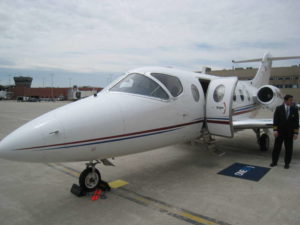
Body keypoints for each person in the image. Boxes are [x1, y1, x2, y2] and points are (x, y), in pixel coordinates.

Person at [270, 95, 299, 169]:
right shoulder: (279, 109)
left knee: (289, 149)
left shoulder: (294, 109)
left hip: (289, 133)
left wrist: (295, 133)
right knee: (277, 148)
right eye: (290, 100)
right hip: (279, 133)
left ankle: (287, 163)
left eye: (292, 100)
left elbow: (296, 122)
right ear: (285, 101)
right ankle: (274, 162)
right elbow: (275, 120)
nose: (292, 101)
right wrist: (275, 130)